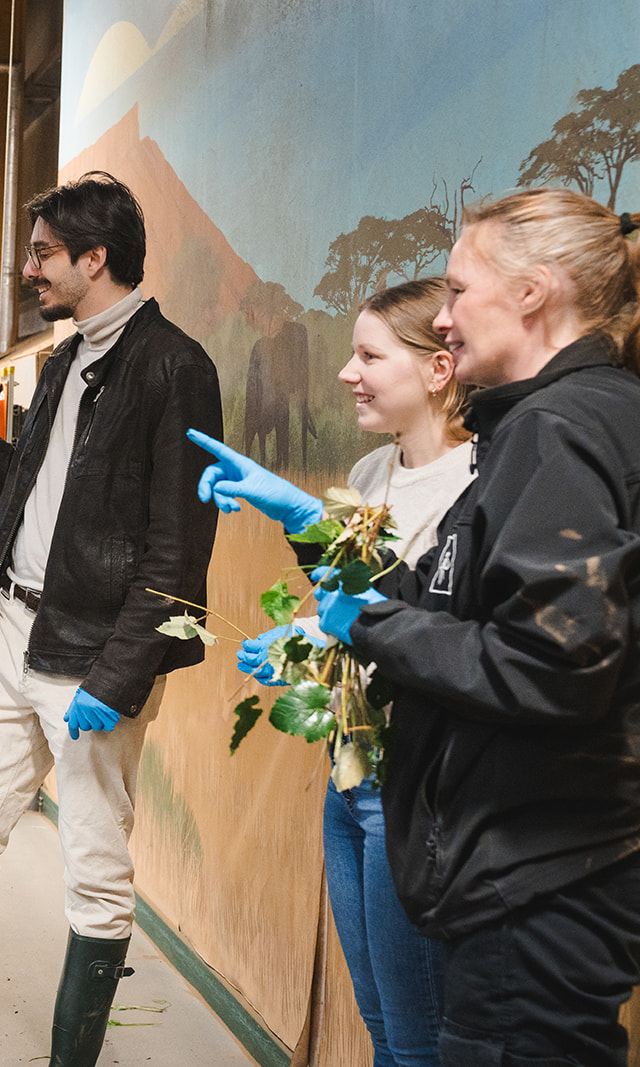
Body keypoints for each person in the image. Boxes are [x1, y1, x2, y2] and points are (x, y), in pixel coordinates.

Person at [192, 189, 640, 1065]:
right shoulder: (554, 424)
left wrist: (374, 626)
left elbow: (554, 665)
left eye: (459, 290)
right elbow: (458, 605)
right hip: (531, 859)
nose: (445, 316)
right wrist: (325, 549)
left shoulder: (557, 429)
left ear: (533, 293)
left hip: (537, 869)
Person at [0, 171, 222, 1067]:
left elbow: (177, 549)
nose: (27, 270)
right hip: (5, 642)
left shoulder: (176, 368)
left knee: (94, 876)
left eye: (41, 255)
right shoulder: (64, 360)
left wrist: (119, 675)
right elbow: (23, 493)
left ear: (94, 259)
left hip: (89, 661)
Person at [234, 277, 473, 1067]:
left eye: (370, 355)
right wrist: (300, 639)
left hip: (415, 789)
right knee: (380, 1023)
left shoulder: (479, 483)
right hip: (348, 770)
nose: (347, 373)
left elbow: (436, 633)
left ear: (438, 369)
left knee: (417, 1040)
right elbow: (356, 610)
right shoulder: (371, 473)